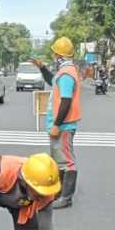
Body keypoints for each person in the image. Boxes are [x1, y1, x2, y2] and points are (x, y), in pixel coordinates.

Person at [31, 36, 81, 209]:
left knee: (67, 161)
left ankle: (66, 198)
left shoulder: (67, 74)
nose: (53, 55)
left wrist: (57, 125)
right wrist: (42, 68)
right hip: (61, 124)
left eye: (54, 53)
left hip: (64, 125)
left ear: (59, 55)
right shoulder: (63, 71)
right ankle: (58, 193)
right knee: (58, 160)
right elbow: (51, 81)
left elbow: (66, 101)